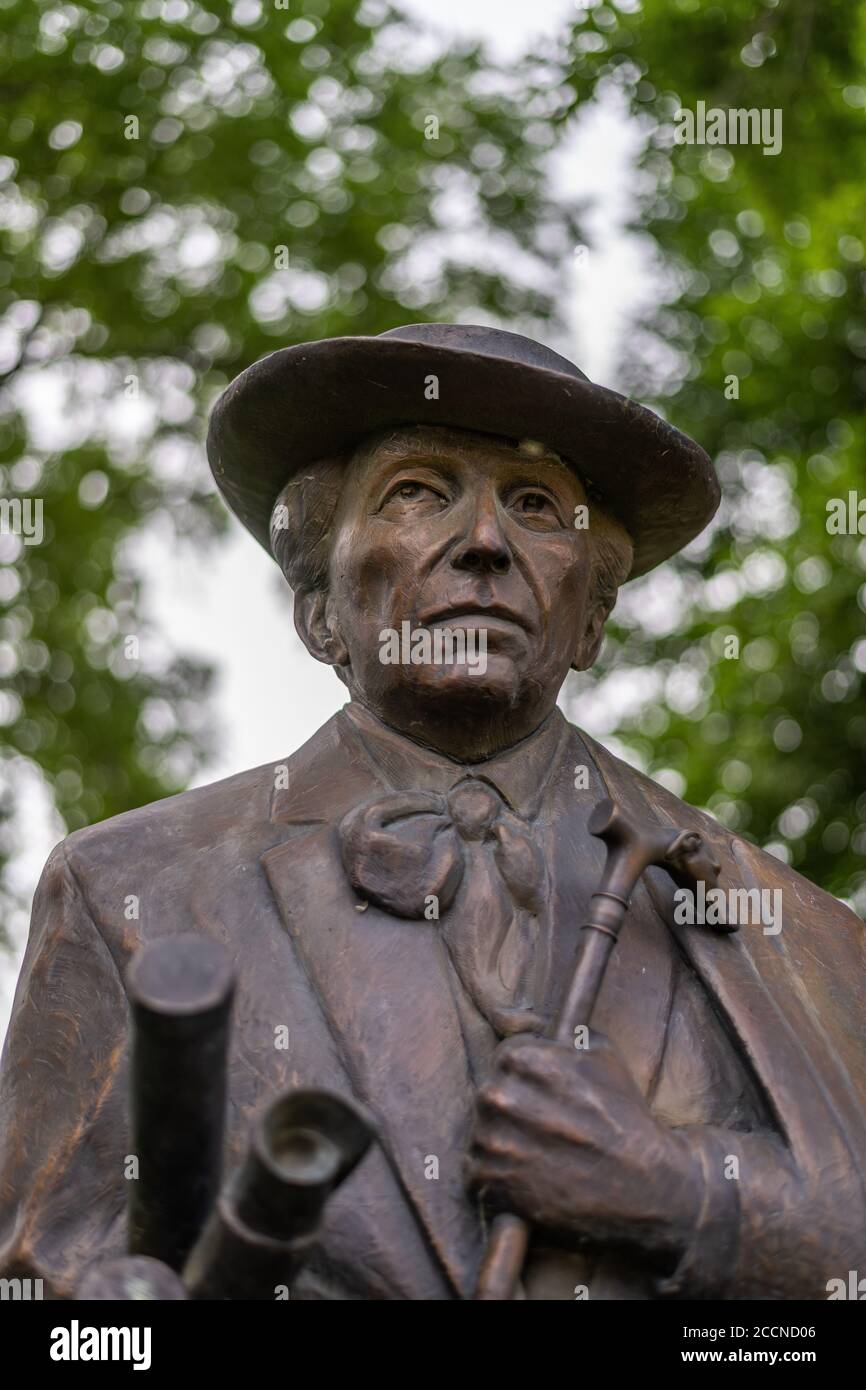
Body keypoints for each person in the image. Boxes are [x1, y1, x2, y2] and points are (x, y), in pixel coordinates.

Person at [1, 323, 864, 1300]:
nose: (487, 543)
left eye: (536, 506)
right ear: (319, 606)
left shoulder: (790, 928)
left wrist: (680, 1193)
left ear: (590, 615)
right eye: (415, 492)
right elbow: (42, 1282)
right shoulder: (127, 888)